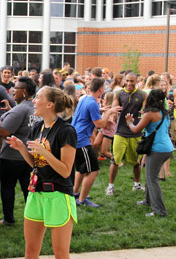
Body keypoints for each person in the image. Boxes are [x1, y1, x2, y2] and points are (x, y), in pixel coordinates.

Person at [6, 86, 77, 259]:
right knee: (30, 253)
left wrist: (44, 151)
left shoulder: (66, 131)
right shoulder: (37, 128)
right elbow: (35, 164)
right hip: (36, 193)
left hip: (58, 195)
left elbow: (66, 171)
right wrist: (22, 149)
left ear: (50, 105)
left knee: (60, 254)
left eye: (38, 97)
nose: (34, 101)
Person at [0, 77, 37, 226]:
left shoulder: (20, 109)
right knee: (29, 190)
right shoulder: (33, 107)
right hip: (29, 155)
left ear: (25, 91)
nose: (13, 90)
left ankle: (8, 219)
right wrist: (10, 112)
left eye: (17, 87)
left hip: (11, 156)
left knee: (7, 188)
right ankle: (34, 217)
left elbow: (3, 131)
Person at [72, 78, 121, 207]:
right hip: (82, 140)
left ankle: (75, 193)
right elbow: (100, 124)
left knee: (81, 168)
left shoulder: (85, 99)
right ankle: (82, 200)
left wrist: (102, 110)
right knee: (94, 170)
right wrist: (109, 112)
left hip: (75, 137)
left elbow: (87, 112)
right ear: (100, 89)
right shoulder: (93, 103)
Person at [125, 89, 174, 217]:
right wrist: (145, 117)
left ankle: (159, 211)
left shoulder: (150, 114)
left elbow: (136, 129)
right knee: (150, 175)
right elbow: (154, 124)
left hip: (157, 149)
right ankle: (148, 200)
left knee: (152, 179)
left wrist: (129, 122)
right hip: (167, 148)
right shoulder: (165, 112)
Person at [106, 73, 147, 196]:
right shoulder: (118, 94)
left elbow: (144, 111)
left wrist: (143, 112)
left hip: (136, 132)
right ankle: (110, 187)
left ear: (137, 82)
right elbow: (114, 108)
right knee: (115, 160)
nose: (129, 83)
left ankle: (137, 184)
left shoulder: (142, 95)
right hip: (120, 132)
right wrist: (113, 113)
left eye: (132, 81)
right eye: (127, 81)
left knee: (136, 161)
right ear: (124, 80)